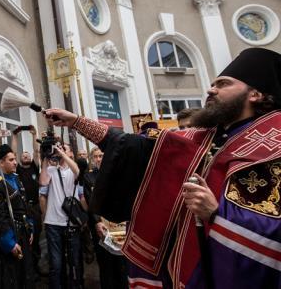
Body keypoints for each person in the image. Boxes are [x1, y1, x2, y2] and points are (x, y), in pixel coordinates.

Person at [44, 48, 281, 288]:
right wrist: (76, 121)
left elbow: (274, 232)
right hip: (175, 270)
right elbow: (132, 146)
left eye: (222, 84)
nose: (211, 89)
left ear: (255, 94)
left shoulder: (273, 148)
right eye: (212, 84)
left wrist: (215, 214)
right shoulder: (200, 137)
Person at [0, 144, 36, 288]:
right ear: (1, 163)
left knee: (27, 274)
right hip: (12, 238)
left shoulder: (16, 179)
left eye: (15, 159)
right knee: (13, 278)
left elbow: (25, 206)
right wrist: (10, 243)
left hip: (24, 234)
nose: (15, 162)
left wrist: (30, 227)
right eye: (11, 159)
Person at [40, 143, 84, 288]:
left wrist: (62, 153)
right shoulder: (51, 169)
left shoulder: (73, 170)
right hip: (53, 224)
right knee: (56, 264)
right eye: (59, 148)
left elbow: (77, 171)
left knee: (74, 262)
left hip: (71, 223)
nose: (59, 150)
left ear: (70, 153)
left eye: (64, 148)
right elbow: (43, 181)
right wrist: (46, 157)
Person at [84, 148, 128, 289]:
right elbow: (91, 201)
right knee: (106, 265)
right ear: (92, 159)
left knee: (122, 265)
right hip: (101, 228)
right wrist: (97, 222)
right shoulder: (88, 177)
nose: (99, 159)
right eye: (96, 157)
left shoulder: (117, 174)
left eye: (101, 156)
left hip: (119, 226)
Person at [11, 125, 44, 273]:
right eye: (23, 155)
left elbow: (37, 151)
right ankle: (27, 269)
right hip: (22, 209)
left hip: (35, 208)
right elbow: (13, 152)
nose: (25, 155)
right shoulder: (17, 170)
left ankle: (36, 268)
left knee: (36, 237)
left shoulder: (35, 168)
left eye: (27, 154)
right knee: (25, 239)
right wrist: (15, 136)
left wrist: (34, 135)